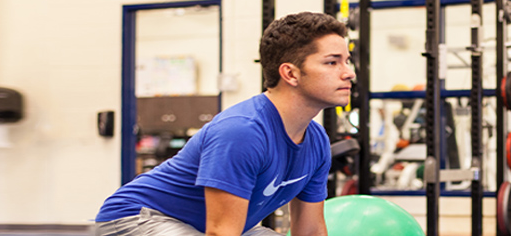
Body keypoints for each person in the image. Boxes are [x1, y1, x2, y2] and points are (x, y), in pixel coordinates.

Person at [94, 12, 355, 236]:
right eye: (332, 62)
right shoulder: (243, 130)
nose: (348, 72)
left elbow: (310, 231)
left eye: (346, 61)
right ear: (290, 73)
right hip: (136, 219)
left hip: (213, 226)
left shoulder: (317, 140)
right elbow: (221, 233)